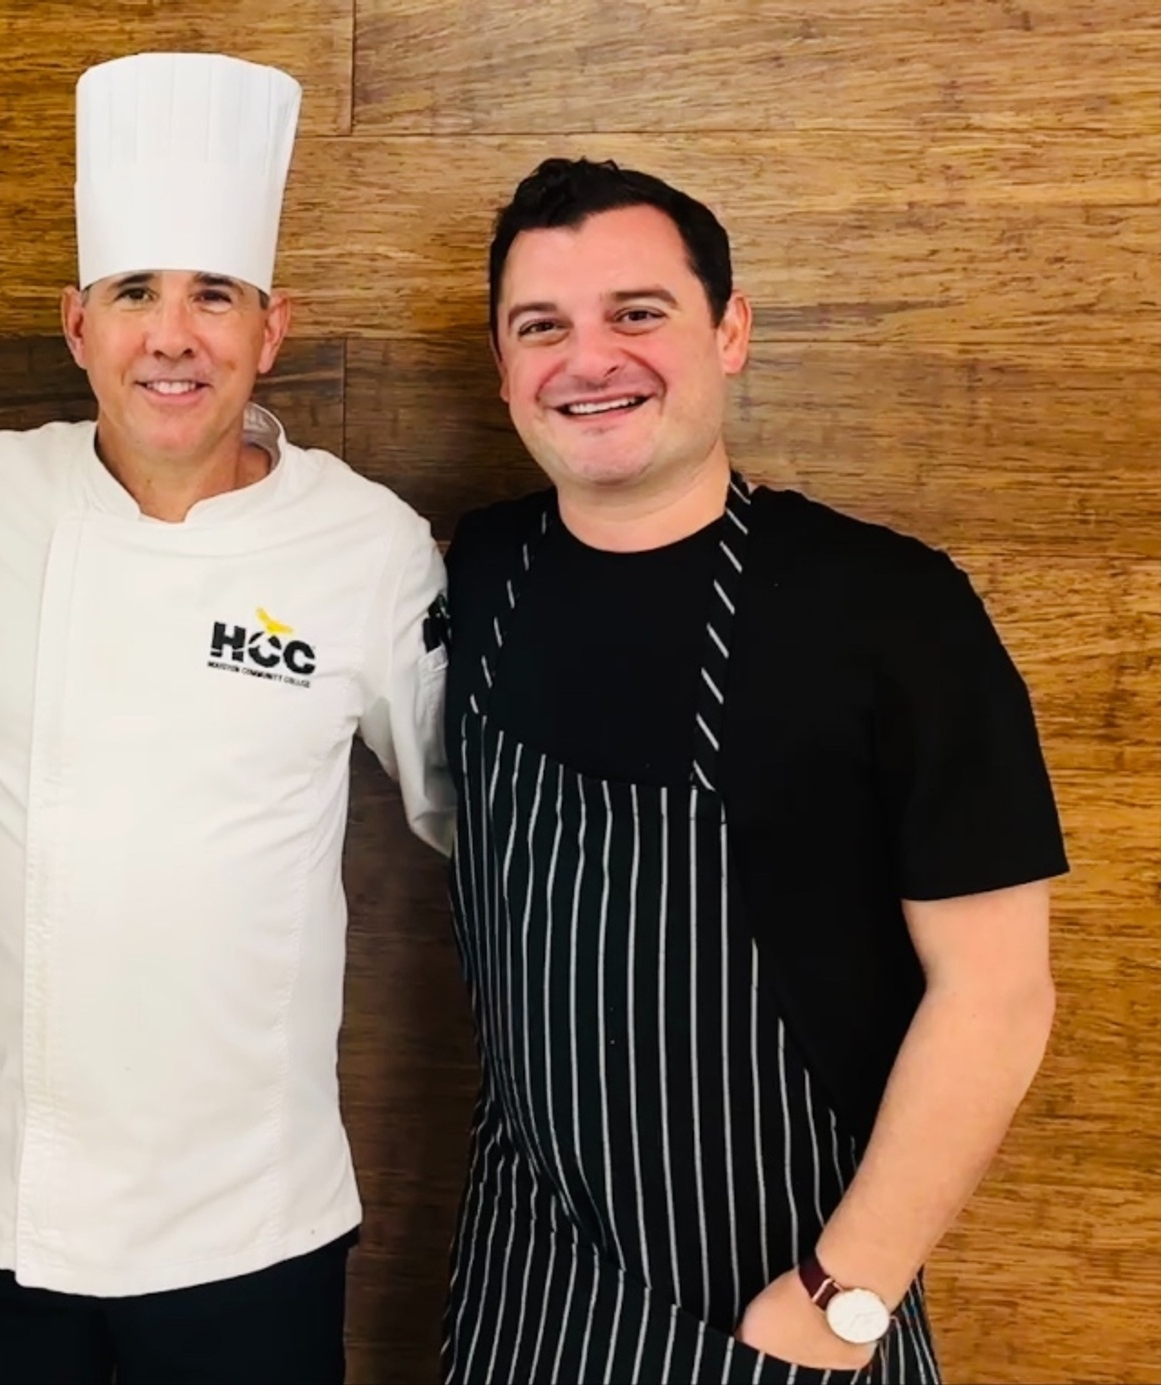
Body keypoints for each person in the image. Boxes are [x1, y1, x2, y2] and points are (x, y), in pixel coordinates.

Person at [439, 157, 1065, 1384]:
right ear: (504, 366)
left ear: (727, 330)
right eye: (540, 327)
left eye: (636, 313)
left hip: (787, 1301)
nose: (587, 359)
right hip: (524, 1291)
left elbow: (996, 995)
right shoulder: (476, 574)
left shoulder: (890, 606)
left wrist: (841, 1292)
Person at [0, 51, 452, 1385]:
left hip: (253, 1231)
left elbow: (476, 813)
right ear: (79, 324)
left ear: (274, 328)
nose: (173, 335)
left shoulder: (365, 546)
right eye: (137, 292)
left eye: (215, 296)